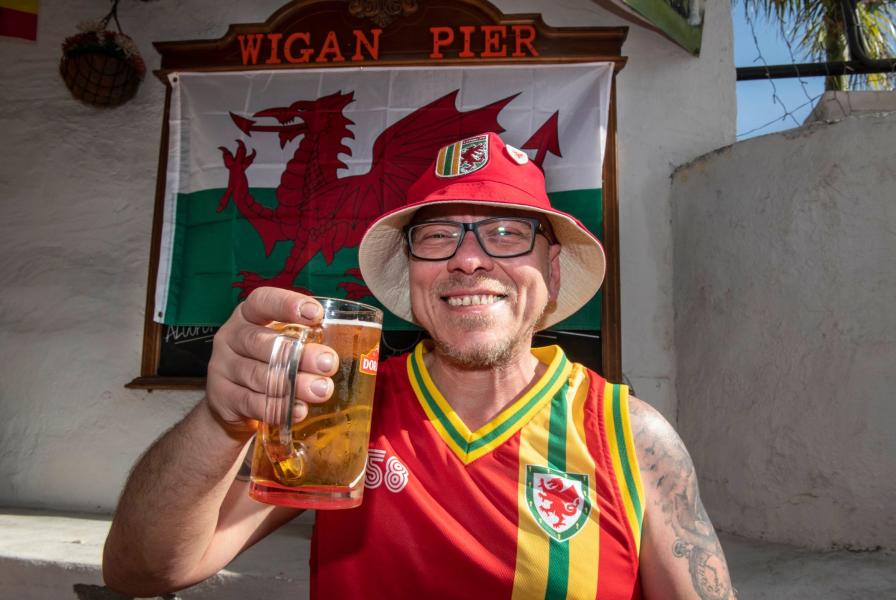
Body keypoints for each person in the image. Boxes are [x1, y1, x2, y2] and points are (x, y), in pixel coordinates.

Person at [103, 132, 735, 599]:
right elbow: (143, 571)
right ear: (410, 272)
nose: (469, 260)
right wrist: (220, 419)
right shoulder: (339, 408)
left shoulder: (633, 438)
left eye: (507, 233)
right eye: (438, 236)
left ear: (551, 270)